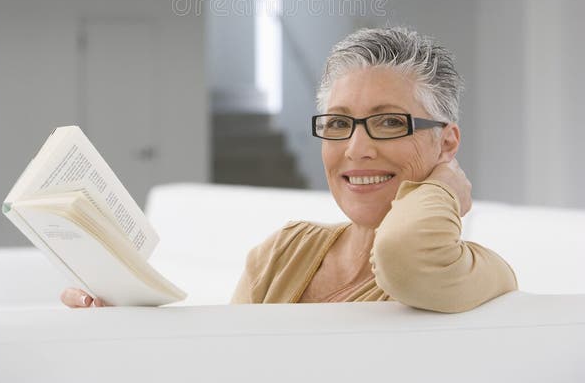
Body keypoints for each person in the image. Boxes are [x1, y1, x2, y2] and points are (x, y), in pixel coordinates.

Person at [61, 26, 518, 312]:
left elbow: (402, 255)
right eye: (339, 123)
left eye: (388, 123)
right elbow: (226, 373)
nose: (356, 149)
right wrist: (117, 326)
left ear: (447, 141)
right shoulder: (284, 251)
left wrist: (442, 188)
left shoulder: (476, 271)